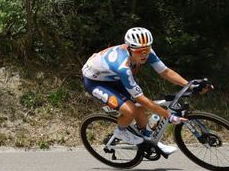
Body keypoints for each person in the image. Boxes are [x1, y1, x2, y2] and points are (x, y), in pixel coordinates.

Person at [81, 27, 206, 157]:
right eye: (140, 51)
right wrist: (168, 116)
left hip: (114, 78)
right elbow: (141, 98)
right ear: (130, 48)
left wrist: (189, 85)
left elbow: (165, 72)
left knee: (140, 108)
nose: (144, 54)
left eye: (147, 49)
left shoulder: (145, 51)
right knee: (131, 110)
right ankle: (120, 132)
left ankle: (149, 140)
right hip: (95, 82)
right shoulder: (122, 66)